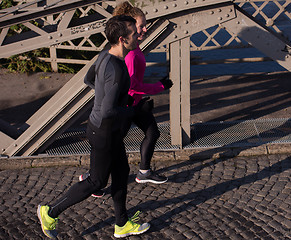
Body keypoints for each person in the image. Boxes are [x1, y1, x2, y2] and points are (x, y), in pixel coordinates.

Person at [37, 15, 151, 239]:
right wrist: (134, 110)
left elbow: (88, 80)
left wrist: (110, 98)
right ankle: (50, 212)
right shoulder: (117, 70)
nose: (138, 34)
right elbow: (109, 110)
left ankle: (122, 224)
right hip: (105, 131)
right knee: (97, 181)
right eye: (133, 33)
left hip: (106, 128)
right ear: (122, 39)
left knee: (121, 172)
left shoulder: (104, 56)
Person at [79, 1, 173, 189]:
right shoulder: (128, 54)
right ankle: (94, 179)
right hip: (128, 104)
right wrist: (159, 86)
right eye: (140, 26)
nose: (144, 30)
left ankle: (143, 172)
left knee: (152, 132)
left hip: (135, 103)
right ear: (128, 31)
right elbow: (132, 84)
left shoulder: (134, 47)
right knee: (112, 145)